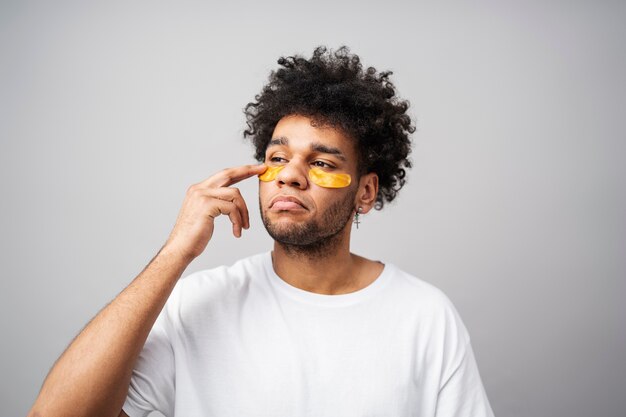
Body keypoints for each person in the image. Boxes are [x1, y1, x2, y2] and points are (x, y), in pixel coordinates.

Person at [29, 46, 495, 417]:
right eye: (277, 158)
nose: (290, 174)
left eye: (321, 163)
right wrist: (175, 253)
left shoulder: (425, 316)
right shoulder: (196, 304)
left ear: (366, 192)